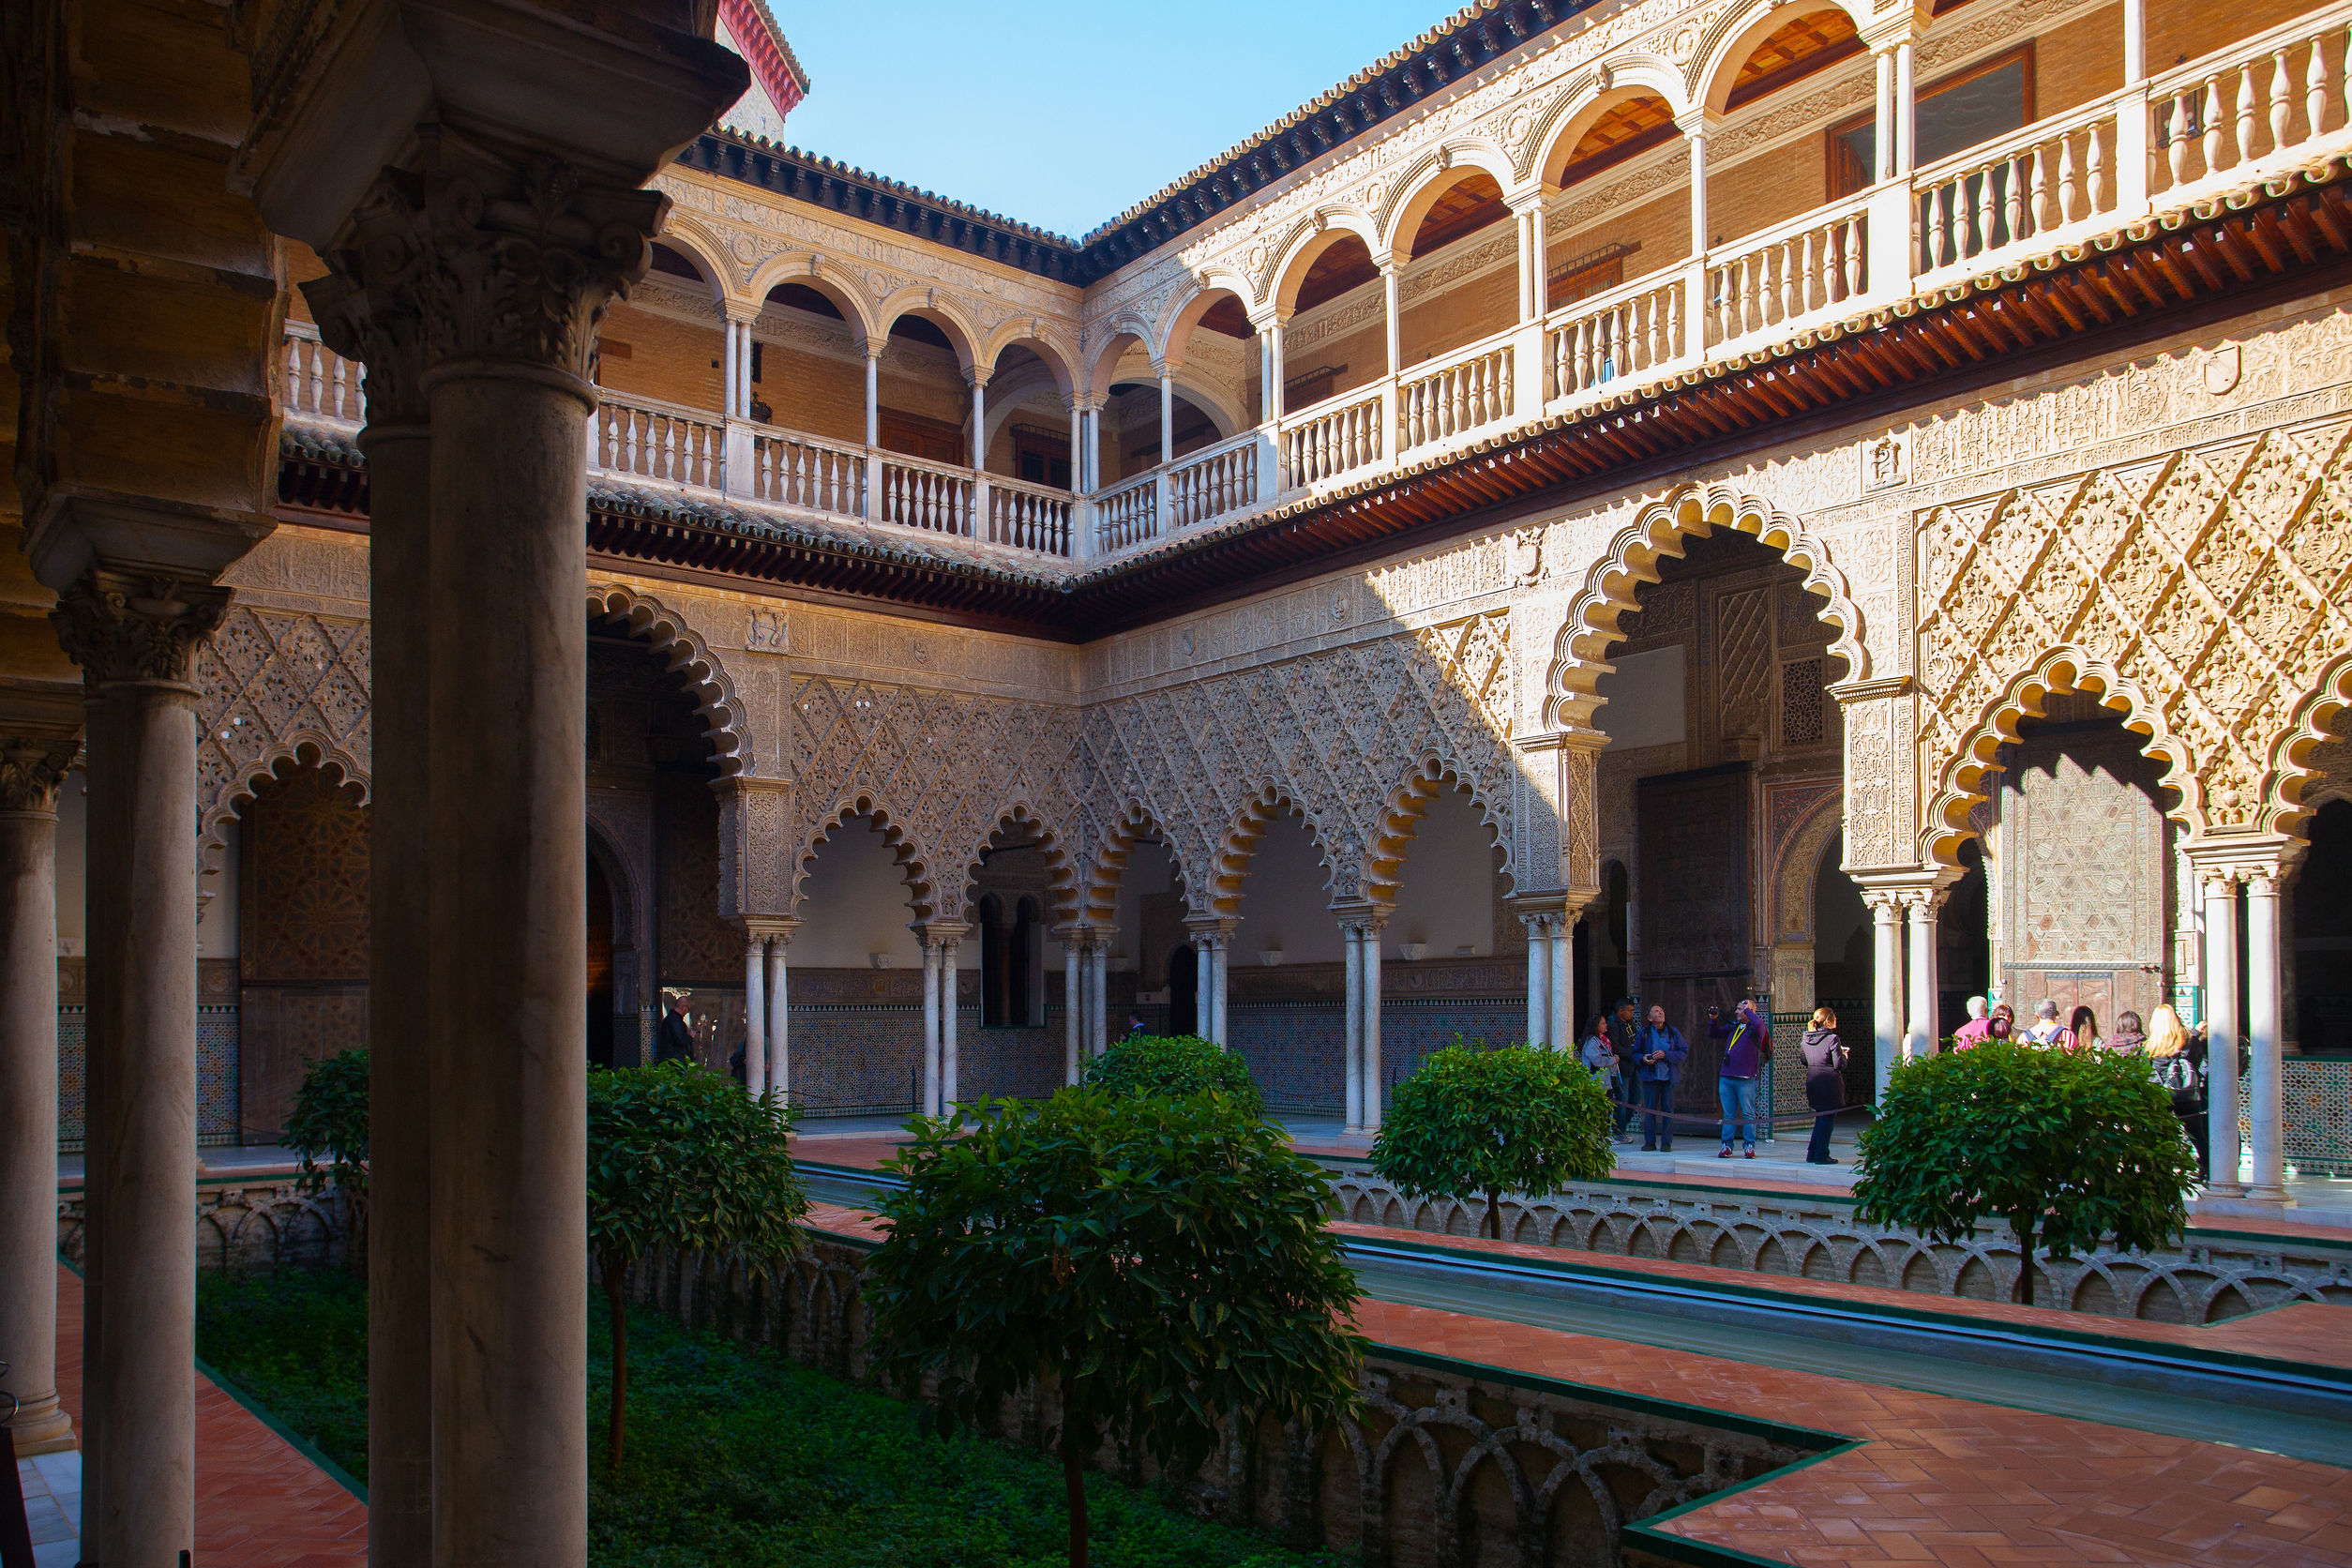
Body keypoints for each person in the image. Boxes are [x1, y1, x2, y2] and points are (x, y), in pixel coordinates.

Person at [2144, 1003, 2208, 1178]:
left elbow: (2145, 1071)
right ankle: (2207, 1169)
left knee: (2160, 1133)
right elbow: (2197, 1061)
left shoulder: (2151, 1047)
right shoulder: (2189, 1042)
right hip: (2187, 1094)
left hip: (2162, 1096)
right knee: (2196, 1134)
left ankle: (2162, 1169)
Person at [1710, 999, 1772, 1158]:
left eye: (1741, 1009)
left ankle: (1749, 1145)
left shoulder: (1756, 1028)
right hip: (1727, 1078)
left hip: (1746, 1079)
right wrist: (1713, 1020)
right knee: (1728, 1114)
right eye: (1737, 1008)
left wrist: (1748, 1010)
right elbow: (1713, 1034)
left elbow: (1759, 1026)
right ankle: (1726, 1145)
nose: (1737, 1011)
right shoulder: (1734, 1026)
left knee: (1748, 1113)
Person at [1634, 1003, 1688, 1153]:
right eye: (1656, 1011)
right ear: (1649, 1018)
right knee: (1650, 1110)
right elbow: (1635, 1053)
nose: (1660, 1013)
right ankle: (1649, 1142)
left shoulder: (1673, 1033)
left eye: (1661, 1011)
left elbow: (1683, 1052)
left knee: (1668, 1111)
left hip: (1668, 1079)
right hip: (1650, 1078)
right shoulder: (1643, 1033)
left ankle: (1666, 1143)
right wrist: (1643, 1058)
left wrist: (1667, 1055)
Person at [1801, 1006, 1848, 1165]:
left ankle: (1812, 1153)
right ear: (1828, 1021)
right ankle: (1821, 1154)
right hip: (1829, 1083)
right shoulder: (1832, 1039)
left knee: (1820, 1118)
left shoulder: (1806, 1038)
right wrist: (1844, 1055)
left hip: (1813, 1081)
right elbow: (1838, 1064)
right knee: (1827, 1120)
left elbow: (1803, 1060)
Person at [1609, 998, 1643, 1139]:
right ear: (1621, 1010)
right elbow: (1615, 1047)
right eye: (1629, 1011)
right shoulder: (1613, 1023)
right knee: (1622, 1099)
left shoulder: (1629, 1023)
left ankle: (1622, 1127)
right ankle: (1618, 1131)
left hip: (1634, 1066)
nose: (1631, 1013)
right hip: (1623, 1067)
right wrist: (1634, 1054)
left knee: (1636, 1097)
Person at [1579, 1015, 1619, 1120]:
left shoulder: (1603, 1040)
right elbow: (1597, 1061)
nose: (1606, 1025)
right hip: (1596, 1081)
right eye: (1603, 1023)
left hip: (1605, 1080)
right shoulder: (1592, 1042)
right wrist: (1613, 1060)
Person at [654, 988, 696, 1064]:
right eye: (688, 1010)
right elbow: (680, 1040)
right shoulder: (675, 1021)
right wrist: (690, 1037)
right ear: (684, 1008)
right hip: (674, 1062)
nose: (687, 1012)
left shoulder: (670, 1019)